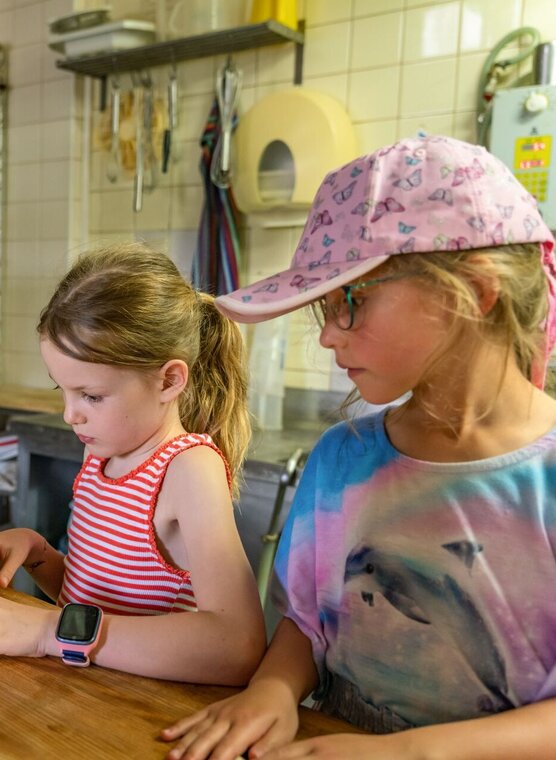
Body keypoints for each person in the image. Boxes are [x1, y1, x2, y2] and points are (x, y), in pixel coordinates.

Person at [161, 134, 556, 759]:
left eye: (353, 301)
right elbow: (307, 621)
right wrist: (274, 689)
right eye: (325, 309)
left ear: (476, 290)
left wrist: (408, 754)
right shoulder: (342, 459)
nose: (328, 338)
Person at [0, 244, 266, 683]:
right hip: (88, 697)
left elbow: (237, 646)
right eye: (64, 390)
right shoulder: (101, 455)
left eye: (91, 396)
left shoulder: (188, 468)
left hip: (148, 711)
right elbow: (96, 603)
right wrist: (40, 555)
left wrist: (46, 631)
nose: (70, 414)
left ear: (168, 380)